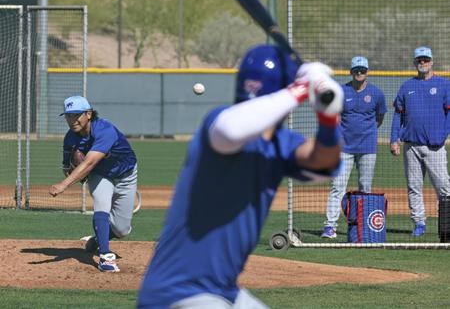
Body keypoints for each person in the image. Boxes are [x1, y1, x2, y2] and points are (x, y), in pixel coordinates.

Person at [137, 44, 344, 308]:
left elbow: (324, 162)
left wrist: (328, 118)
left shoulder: (281, 144)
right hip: (178, 291)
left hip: (223, 290)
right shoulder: (218, 123)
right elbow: (232, 131)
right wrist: (303, 88)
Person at [49, 95, 138, 272]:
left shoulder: (105, 130)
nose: (72, 120)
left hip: (126, 176)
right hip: (100, 175)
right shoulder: (70, 138)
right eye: (68, 115)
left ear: (88, 114)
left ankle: (97, 240)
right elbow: (67, 165)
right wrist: (70, 170)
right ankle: (106, 257)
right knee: (101, 206)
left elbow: (89, 162)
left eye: (76, 115)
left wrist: (64, 184)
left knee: (122, 230)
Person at [321, 56, 387, 239]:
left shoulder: (377, 93)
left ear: (367, 72)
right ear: (351, 72)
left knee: (365, 188)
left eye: (363, 70)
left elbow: (379, 118)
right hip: (344, 149)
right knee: (337, 186)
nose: (359, 73)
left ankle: (362, 227)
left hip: (367, 148)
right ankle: (330, 226)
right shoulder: (341, 91)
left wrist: (367, 131)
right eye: (356, 70)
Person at [390, 46, 450, 237]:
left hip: (435, 147)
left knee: (444, 187)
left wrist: (443, 134)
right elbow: (397, 115)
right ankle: (419, 223)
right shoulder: (407, 86)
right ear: (415, 63)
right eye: (419, 60)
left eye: (426, 59)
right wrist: (394, 139)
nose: (422, 63)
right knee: (414, 187)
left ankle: (447, 226)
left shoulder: (443, 84)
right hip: (411, 146)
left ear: (432, 61)